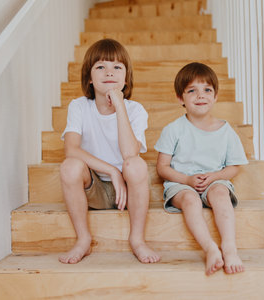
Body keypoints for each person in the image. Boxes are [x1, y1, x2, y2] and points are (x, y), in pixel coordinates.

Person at [58, 39, 160, 265]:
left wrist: (120, 106)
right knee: (70, 166)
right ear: (89, 78)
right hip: (94, 187)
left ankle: (137, 239)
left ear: (126, 78)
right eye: (100, 67)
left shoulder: (135, 110)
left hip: (128, 188)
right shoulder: (79, 106)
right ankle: (83, 239)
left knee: (136, 164)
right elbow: (71, 149)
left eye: (117, 67)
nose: (109, 73)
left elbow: (129, 153)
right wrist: (111, 172)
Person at [154, 62, 248, 275]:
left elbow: (234, 167)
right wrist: (186, 180)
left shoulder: (226, 130)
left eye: (207, 90)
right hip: (181, 184)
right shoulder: (173, 130)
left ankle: (229, 247)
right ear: (181, 98)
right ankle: (210, 248)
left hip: (215, 180)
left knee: (221, 194)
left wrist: (216, 176)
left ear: (215, 96)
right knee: (190, 199)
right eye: (192, 91)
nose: (200, 96)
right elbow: (162, 167)